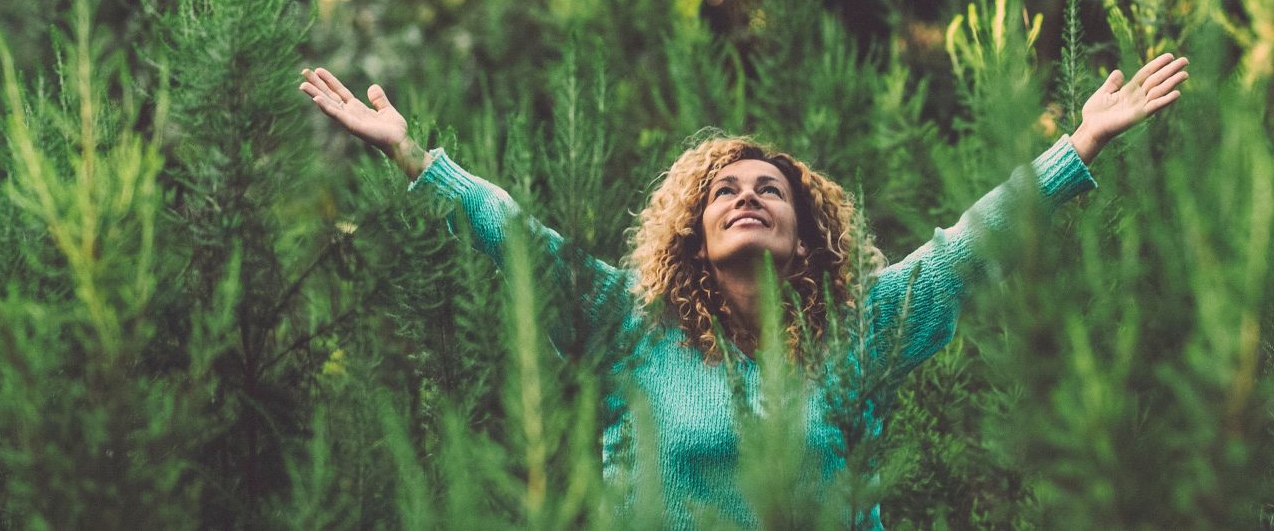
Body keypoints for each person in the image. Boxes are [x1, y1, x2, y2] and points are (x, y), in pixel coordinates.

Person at [299, 51, 1191, 529]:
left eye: (771, 189)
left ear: (807, 230)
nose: (748, 196)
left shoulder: (865, 326)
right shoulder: (627, 325)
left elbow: (969, 246)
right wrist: (414, 157)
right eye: (724, 190)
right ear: (694, 231)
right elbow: (518, 240)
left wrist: (1079, 148)